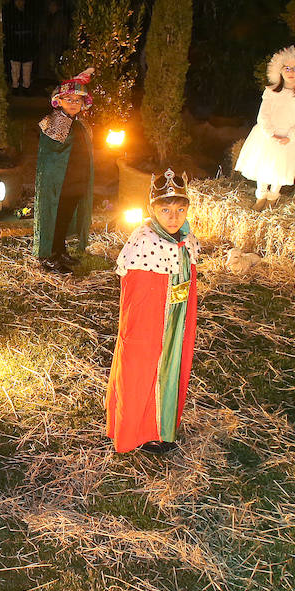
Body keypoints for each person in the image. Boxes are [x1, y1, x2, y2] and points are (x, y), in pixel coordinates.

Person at [106, 170, 200, 454]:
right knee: (141, 371)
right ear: (152, 209)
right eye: (166, 210)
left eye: (180, 209)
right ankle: (137, 429)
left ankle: (162, 426)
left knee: (172, 368)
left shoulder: (187, 238)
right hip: (149, 325)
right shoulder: (146, 241)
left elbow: (187, 284)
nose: (174, 217)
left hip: (176, 322)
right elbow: (136, 292)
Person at [234, 45, 295, 210]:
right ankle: (261, 195)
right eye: (287, 68)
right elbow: (263, 115)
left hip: (288, 138)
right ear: (280, 70)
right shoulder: (271, 92)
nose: (290, 72)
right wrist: (270, 133)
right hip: (267, 136)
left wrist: (291, 137)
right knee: (264, 166)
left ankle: (273, 196)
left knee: (281, 168)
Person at [33, 67, 95, 272]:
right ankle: (49, 255)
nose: (73, 104)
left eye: (77, 100)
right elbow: (51, 158)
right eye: (69, 100)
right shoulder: (52, 123)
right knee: (55, 218)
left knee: (66, 217)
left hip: (76, 183)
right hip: (59, 185)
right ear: (58, 101)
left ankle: (60, 250)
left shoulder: (81, 125)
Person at [5, 0, 39, 93]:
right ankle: (15, 85)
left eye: (21, 1)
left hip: (26, 45)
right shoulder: (11, 15)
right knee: (15, 67)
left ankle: (26, 86)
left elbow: (33, 29)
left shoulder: (29, 14)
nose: (19, 3)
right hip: (16, 45)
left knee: (26, 67)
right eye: (17, 1)